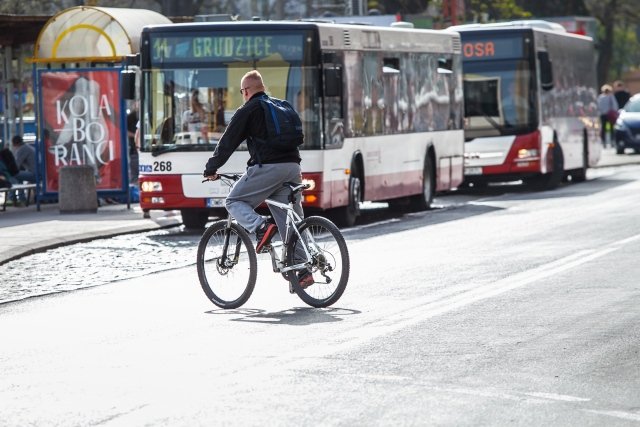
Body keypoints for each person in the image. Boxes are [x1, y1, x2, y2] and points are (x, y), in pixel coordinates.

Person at [202, 70, 313, 288]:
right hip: (293, 167)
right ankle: (302, 269)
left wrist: (211, 168)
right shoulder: (282, 105)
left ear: (246, 91)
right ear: (262, 87)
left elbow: (228, 141)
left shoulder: (249, 109)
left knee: (233, 201)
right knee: (291, 221)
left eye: (242, 91)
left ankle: (261, 227)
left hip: (268, 168)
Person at [10, 135, 35, 204]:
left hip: (34, 174)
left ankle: (11, 197)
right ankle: (21, 198)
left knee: (12, 174)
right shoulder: (28, 147)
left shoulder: (21, 149)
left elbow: (15, 167)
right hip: (38, 173)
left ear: (14, 144)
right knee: (19, 175)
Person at [126, 103, 139, 183]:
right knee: (135, 175)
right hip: (134, 149)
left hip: (141, 149)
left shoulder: (145, 115)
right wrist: (136, 136)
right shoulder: (130, 117)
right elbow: (125, 131)